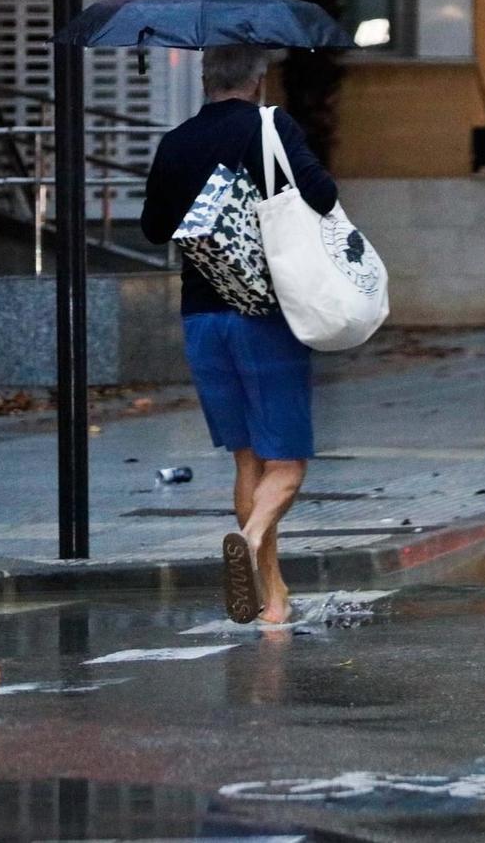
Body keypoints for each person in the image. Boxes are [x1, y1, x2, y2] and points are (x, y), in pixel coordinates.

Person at [140, 45, 337, 625]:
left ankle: (274, 601)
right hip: (265, 315)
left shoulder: (175, 141)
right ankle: (249, 542)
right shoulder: (272, 126)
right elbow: (323, 196)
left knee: (248, 460)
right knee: (289, 464)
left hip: (202, 318)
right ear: (259, 79)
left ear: (205, 79)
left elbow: (154, 228)